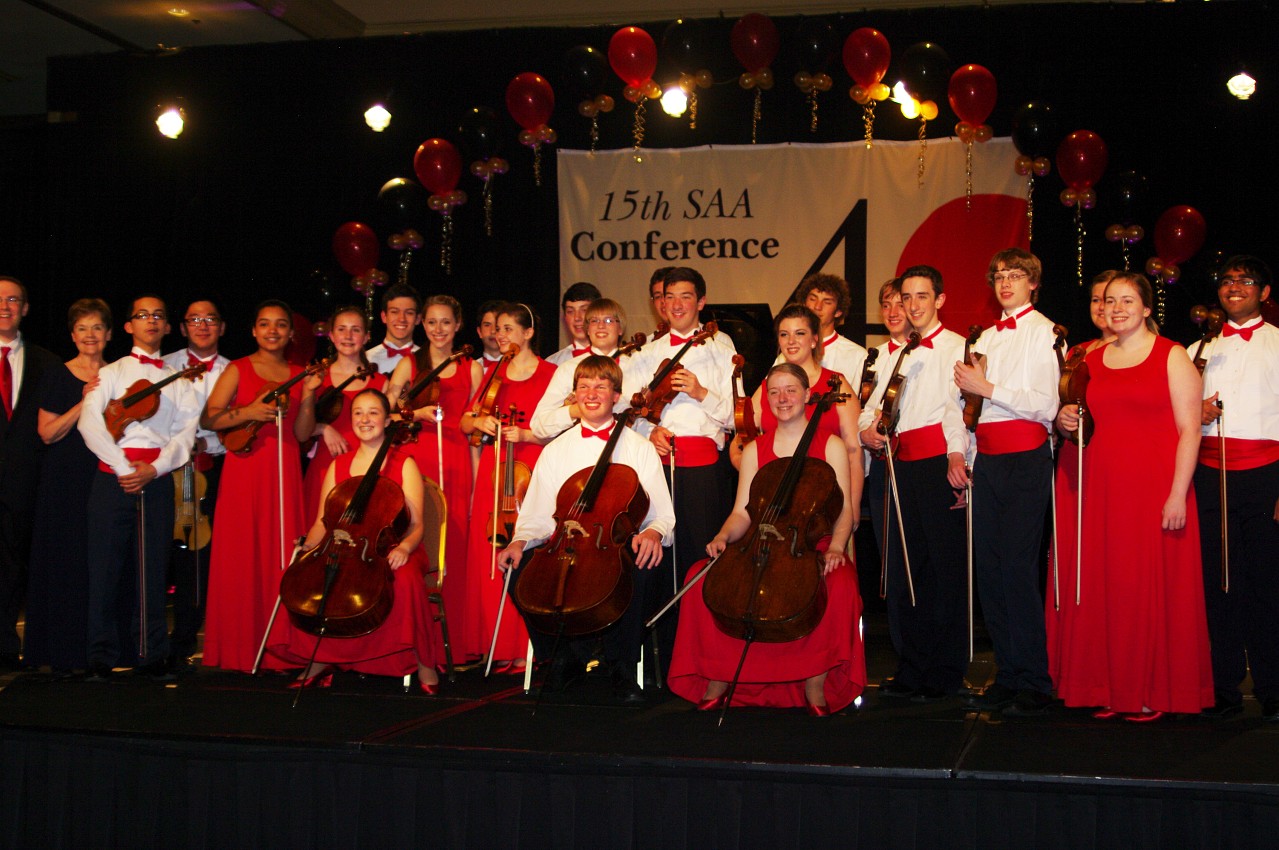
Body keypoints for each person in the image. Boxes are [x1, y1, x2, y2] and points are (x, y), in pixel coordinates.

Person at [1055, 272, 1213, 720]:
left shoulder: (1172, 355)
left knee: (1146, 590)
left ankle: (1148, 690)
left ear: (1147, 308)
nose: (1116, 307)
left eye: (1127, 300)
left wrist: (1178, 494)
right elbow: (1083, 419)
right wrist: (1066, 419)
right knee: (1110, 588)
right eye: (1109, 300)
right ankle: (1110, 687)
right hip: (1102, 488)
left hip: (1154, 489)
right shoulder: (1090, 358)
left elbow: (1189, 432)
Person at [669, 364, 865, 715]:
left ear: (807, 395)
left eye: (790, 390)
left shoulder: (831, 444)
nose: (782, 398)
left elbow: (845, 509)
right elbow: (743, 512)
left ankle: (815, 682)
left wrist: (837, 546)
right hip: (760, 543)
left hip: (810, 546)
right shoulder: (756, 449)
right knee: (699, 579)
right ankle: (720, 676)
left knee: (841, 583)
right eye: (774, 392)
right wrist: (722, 536)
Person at [497, 355, 674, 703]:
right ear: (574, 395)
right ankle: (563, 654)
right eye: (584, 386)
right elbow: (535, 515)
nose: (591, 394)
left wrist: (653, 532)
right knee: (516, 570)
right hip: (565, 543)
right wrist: (518, 541)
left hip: (616, 544)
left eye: (601, 386)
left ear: (616, 395)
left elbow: (662, 515)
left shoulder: (638, 448)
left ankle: (623, 663)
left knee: (642, 565)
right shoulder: (556, 450)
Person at [270, 389, 442, 692]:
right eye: (358, 412)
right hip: (348, 548)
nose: (365, 419)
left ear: (388, 420)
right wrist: (307, 549)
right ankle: (320, 659)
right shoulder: (337, 465)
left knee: (404, 580)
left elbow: (415, 525)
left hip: (394, 547)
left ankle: (424, 664)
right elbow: (323, 524)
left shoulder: (404, 463)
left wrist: (404, 547)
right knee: (305, 578)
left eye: (373, 412)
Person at [953, 249, 1060, 716]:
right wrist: (966, 457)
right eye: (999, 275)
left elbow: (1045, 406)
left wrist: (987, 388)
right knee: (990, 572)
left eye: (1015, 276)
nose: (1006, 282)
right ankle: (1009, 671)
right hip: (990, 460)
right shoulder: (984, 337)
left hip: (1026, 457)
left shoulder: (1045, 332)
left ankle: (1035, 679)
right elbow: (969, 411)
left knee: (1017, 569)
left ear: (1033, 283)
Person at [859, 265, 969, 701]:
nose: (913, 305)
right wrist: (869, 428)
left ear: (939, 300)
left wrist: (961, 461)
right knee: (906, 571)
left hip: (937, 463)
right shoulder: (891, 353)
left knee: (944, 572)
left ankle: (945, 670)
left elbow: (961, 411)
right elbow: (870, 405)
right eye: (906, 297)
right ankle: (912, 665)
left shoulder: (960, 346)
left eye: (922, 296)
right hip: (897, 464)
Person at [78, 295, 201, 681]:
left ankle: (150, 654)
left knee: (152, 571)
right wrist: (122, 467)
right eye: (142, 315)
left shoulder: (182, 381)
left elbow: (184, 437)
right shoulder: (111, 372)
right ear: (129, 325)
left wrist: (153, 469)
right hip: (112, 476)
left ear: (168, 327)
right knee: (104, 568)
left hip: (156, 478)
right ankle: (100, 655)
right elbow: (89, 424)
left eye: (159, 316)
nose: (151, 321)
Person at [627, 266, 736, 681]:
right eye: (669, 296)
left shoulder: (721, 346)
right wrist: (649, 429)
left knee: (698, 560)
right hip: (659, 466)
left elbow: (734, 417)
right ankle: (661, 663)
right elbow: (631, 413)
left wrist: (699, 391)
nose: (675, 304)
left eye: (686, 296)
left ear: (701, 302)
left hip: (704, 468)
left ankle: (705, 662)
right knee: (657, 562)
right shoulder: (647, 352)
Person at [200, 300, 321, 673]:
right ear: (253, 330)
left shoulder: (300, 372)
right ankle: (239, 648)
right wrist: (250, 412)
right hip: (245, 473)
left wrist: (310, 395)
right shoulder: (238, 369)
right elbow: (210, 418)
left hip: (284, 472)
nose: (273, 330)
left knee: (282, 555)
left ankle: (280, 647)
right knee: (241, 556)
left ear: (290, 333)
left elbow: (302, 434)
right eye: (265, 324)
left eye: (281, 325)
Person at [1192, 255, 1279, 721]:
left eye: (1246, 280)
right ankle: (1221, 687)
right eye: (1226, 280)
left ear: (1264, 293)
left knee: (1267, 584)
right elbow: (1176, 423)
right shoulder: (1196, 350)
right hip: (1209, 476)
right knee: (1216, 583)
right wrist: (1195, 412)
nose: (1234, 287)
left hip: (1267, 475)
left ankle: (1273, 687)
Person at [385, 293, 483, 659]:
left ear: (458, 325)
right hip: (417, 460)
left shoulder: (472, 367)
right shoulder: (409, 365)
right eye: (431, 322)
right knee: (416, 544)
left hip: (456, 459)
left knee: (452, 549)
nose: (438, 329)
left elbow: (472, 429)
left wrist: (475, 483)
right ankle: (410, 643)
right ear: (421, 325)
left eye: (446, 322)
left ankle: (452, 645)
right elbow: (386, 415)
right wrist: (415, 413)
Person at [461, 303, 555, 668]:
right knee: (491, 553)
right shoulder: (493, 373)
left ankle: (527, 647)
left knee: (529, 553)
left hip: (533, 469)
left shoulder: (552, 373)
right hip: (495, 469)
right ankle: (498, 645)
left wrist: (529, 433)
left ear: (528, 333)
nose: (500, 336)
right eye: (497, 330)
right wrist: (479, 423)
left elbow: (566, 426)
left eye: (508, 329)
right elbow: (465, 422)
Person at [23, 299, 110, 675]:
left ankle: (101, 652)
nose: (90, 336)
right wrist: (85, 401)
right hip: (65, 482)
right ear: (72, 335)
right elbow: (47, 434)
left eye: (97, 328)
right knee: (67, 564)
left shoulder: (119, 374)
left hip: (104, 476)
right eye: (82, 329)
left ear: (108, 334)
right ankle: (61, 653)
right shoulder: (58, 374)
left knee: (100, 565)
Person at [1045, 270, 1117, 696]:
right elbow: (1058, 411)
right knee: (1078, 569)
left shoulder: (1161, 351)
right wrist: (1060, 419)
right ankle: (1079, 673)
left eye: (1110, 300)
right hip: (1078, 466)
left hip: (1122, 470)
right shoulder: (1077, 353)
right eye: (1095, 301)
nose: (1102, 309)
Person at [163, 298, 229, 673]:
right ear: (184, 327)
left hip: (212, 470)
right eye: (194, 320)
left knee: (199, 558)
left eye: (211, 319)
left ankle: (186, 640)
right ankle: (154, 640)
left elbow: (236, 425)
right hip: (168, 472)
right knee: (165, 555)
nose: (203, 325)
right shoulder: (165, 366)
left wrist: (208, 442)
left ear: (222, 327)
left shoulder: (233, 371)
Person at [741, 304, 864, 504]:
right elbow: (742, 438)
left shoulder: (836, 384)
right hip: (776, 500)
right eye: (783, 334)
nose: (791, 341)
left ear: (814, 339)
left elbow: (854, 451)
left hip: (826, 499)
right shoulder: (767, 387)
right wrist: (752, 469)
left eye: (799, 333)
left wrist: (853, 506)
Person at [0, 275, 60, 669]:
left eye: (13, 300)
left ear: (25, 308)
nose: (5, 306)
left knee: (11, 569)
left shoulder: (47, 362)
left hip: (23, 486)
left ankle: (6, 645)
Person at [301, 306, 385, 520]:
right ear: (331, 335)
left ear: (366, 337)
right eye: (341, 329)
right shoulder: (316, 378)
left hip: (365, 469)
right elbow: (300, 430)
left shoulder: (381, 383)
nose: (348, 336)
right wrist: (322, 428)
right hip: (325, 466)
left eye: (355, 330)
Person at [529, 298, 643, 441]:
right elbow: (538, 425)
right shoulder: (569, 369)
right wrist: (573, 411)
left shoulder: (636, 368)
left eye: (608, 321)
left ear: (620, 329)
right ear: (587, 329)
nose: (601, 326)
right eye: (594, 321)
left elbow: (643, 420)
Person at [776, 273, 868, 388]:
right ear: (804, 303)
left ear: (838, 311)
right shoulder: (790, 351)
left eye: (827, 302)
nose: (817, 307)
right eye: (813, 299)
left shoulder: (857, 355)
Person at [365, 284, 422, 376]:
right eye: (394, 312)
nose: (402, 319)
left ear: (418, 319)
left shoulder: (426, 359)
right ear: (384, 316)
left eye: (409, 313)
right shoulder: (366, 359)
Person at [545, 282, 602, 366]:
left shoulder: (617, 359)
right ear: (564, 317)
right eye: (570, 312)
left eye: (584, 310)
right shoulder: (552, 363)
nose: (577, 318)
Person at [475, 300, 505, 364]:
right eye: (487, 325)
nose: (493, 331)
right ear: (479, 332)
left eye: (497, 325)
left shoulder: (522, 368)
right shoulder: (469, 370)